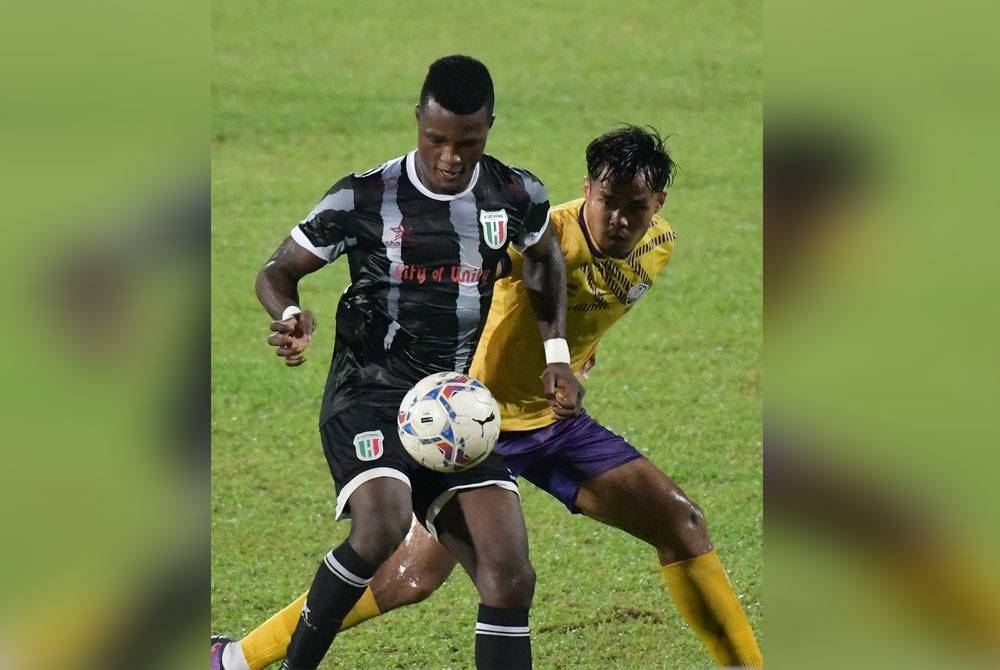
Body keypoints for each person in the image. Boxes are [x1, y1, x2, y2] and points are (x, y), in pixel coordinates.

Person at [213, 126, 763, 668]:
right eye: (607, 201)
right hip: (471, 426)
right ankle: (236, 659)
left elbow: (588, 310)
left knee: (683, 523)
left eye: (635, 207)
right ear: (587, 189)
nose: (618, 219)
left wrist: (572, 357)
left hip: (554, 422)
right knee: (410, 575)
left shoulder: (659, 243)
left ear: (657, 204)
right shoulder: (539, 240)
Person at [225, 54, 583, 670]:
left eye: (467, 143)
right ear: (418, 120)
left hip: (453, 408)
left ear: (489, 128)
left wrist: (556, 353)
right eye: (436, 138)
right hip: (366, 391)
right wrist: (289, 317)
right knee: (382, 527)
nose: (450, 157)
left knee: (509, 573)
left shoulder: (515, 193)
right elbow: (278, 271)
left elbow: (545, 257)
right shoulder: (363, 196)